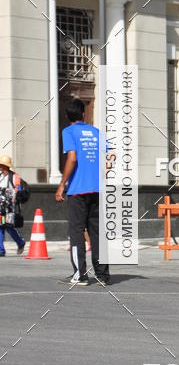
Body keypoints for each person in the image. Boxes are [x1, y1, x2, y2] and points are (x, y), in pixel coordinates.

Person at [55, 98, 110, 286]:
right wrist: (101, 173)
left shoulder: (69, 131)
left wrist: (62, 183)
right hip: (97, 189)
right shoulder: (96, 132)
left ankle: (80, 275)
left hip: (78, 190)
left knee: (77, 232)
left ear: (67, 116)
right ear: (84, 114)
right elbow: (110, 156)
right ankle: (102, 275)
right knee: (97, 232)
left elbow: (72, 157)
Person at [0, 155, 26, 256]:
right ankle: (1, 250)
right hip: (1, 207)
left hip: (9, 207)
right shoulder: (0, 176)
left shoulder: (14, 176)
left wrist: (14, 194)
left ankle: (20, 242)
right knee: (0, 226)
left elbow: (18, 188)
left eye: (2, 165)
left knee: (8, 226)